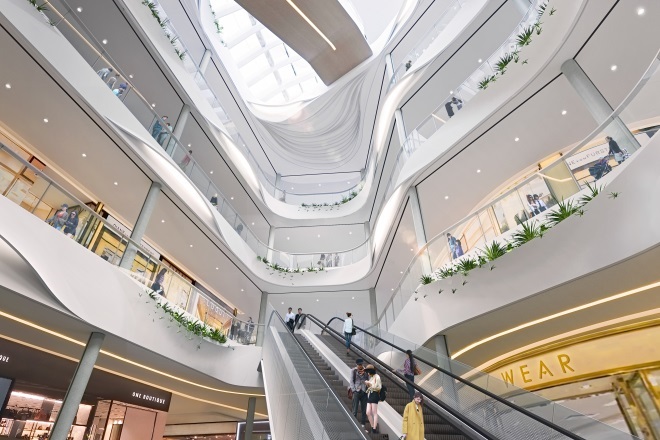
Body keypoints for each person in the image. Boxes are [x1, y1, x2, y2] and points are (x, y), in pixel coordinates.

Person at [349, 358, 368, 426]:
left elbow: (369, 379)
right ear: (356, 364)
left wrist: (366, 372)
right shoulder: (353, 370)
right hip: (356, 391)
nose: (360, 366)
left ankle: (363, 424)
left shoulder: (366, 371)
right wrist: (354, 390)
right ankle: (353, 423)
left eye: (361, 364)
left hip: (364, 391)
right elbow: (351, 381)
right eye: (359, 365)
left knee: (364, 409)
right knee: (355, 408)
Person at [364, 364, 382, 434]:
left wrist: (370, 384)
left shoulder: (377, 377)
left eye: (368, 371)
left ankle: (374, 428)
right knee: (368, 412)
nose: (367, 373)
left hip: (375, 394)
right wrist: (368, 384)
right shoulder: (371, 377)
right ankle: (372, 427)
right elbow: (370, 386)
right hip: (370, 394)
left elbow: (379, 387)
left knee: (374, 412)